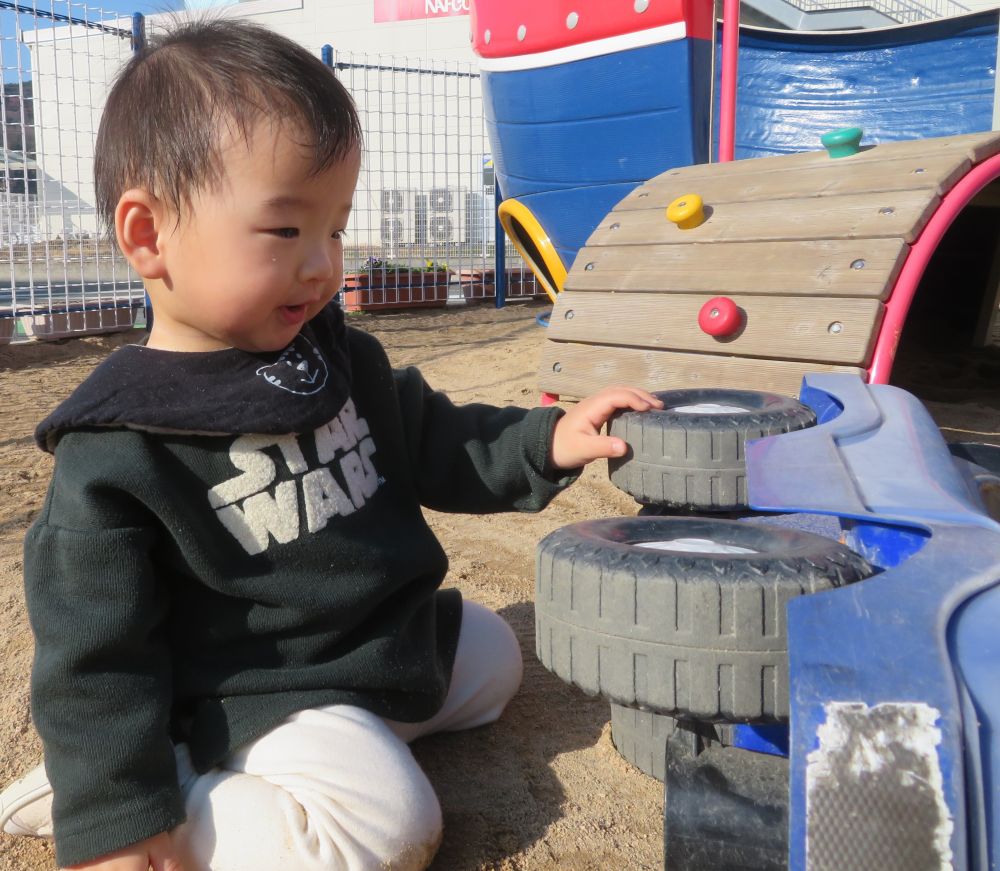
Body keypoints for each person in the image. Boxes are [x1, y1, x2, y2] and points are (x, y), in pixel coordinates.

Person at [0, 17, 661, 871]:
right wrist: (118, 820)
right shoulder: (122, 446)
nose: (322, 264)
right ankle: (150, 785)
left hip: (373, 648)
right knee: (387, 827)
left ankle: (321, 748)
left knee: (495, 657)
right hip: (252, 693)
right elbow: (96, 657)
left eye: (335, 227)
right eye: (285, 230)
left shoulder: (335, 359)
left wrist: (547, 440)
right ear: (148, 234)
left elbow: (436, 438)